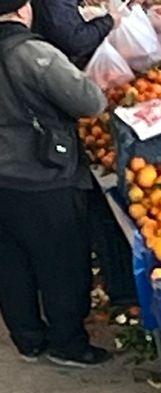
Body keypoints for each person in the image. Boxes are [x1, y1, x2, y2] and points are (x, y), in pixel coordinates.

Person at [0, 0, 109, 365]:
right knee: (61, 262)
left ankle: (28, 339)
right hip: (42, 175)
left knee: (10, 264)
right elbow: (90, 102)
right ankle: (68, 344)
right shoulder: (33, 54)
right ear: (23, 11)